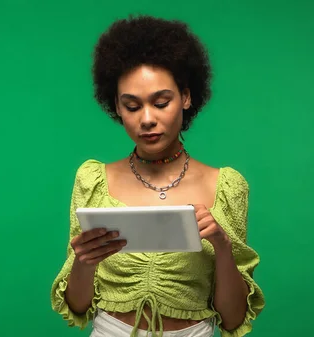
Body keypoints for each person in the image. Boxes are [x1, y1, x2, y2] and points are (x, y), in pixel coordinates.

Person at [50, 15, 265, 337]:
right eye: (132, 106)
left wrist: (221, 245)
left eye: (161, 102)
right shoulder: (92, 179)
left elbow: (233, 319)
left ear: (187, 98)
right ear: (117, 109)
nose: (147, 119)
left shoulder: (226, 186)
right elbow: (78, 307)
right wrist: (84, 260)